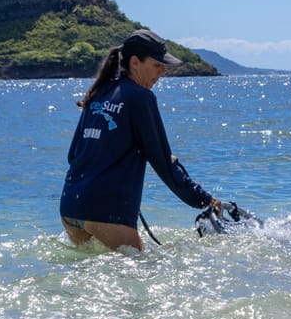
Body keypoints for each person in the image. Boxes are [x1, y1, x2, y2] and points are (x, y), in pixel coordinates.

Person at [60, 29, 224, 251]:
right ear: (135, 62)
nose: (162, 72)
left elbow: (74, 155)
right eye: (157, 65)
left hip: (70, 207)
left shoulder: (99, 93)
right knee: (143, 274)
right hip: (105, 212)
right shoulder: (141, 97)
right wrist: (204, 200)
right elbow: (163, 164)